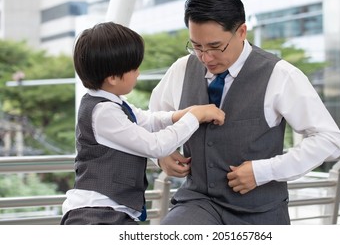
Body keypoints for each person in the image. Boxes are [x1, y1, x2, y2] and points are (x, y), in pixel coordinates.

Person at [149, 0, 340, 225]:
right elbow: (152, 120)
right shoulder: (181, 69)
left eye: (215, 46)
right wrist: (161, 155)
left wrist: (265, 171)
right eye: (197, 47)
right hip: (199, 203)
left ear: (241, 31)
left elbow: (329, 139)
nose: (206, 58)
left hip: (261, 213)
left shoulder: (281, 75)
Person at [60, 22, 225, 225]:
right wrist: (195, 117)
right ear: (112, 77)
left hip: (109, 212)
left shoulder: (111, 102)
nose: (138, 73)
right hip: (97, 214)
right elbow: (155, 145)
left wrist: (182, 114)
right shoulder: (103, 112)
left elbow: (148, 119)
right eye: (133, 68)